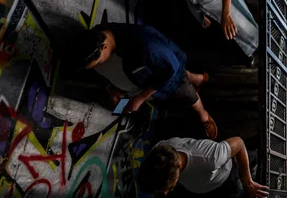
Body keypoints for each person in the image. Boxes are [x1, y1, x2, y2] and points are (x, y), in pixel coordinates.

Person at [73, 24, 218, 138]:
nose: (99, 65)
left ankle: (204, 115)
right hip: (149, 70)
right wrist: (110, 88)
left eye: (98, 62)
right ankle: (197, 77)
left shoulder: (145, 47)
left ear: (104, 47)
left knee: (187, 92)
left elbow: (170, 68)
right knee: (170, 67)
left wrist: (141, 98)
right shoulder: (96, 35)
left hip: (168, 76)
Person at [139, 135, 270, 198]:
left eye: (167, 187)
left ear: (178, 166)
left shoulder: (210, 159)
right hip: (202, 185)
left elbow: (239, 143)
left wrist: (248, 182)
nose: (165, 193)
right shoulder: (160, 152)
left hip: (228, 176)